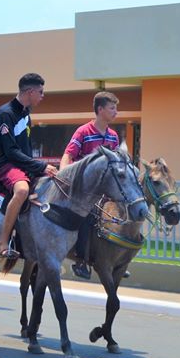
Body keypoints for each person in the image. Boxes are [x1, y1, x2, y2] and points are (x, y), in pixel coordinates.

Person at [0, 73, 57, 259]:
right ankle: (3, 242)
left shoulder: (26, 113)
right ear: (30, 91)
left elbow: (24, 149)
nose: (43, 96)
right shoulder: (5, 114)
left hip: (22, 164)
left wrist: (38, 167)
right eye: (41, 92)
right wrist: (40, 166)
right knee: (21, 191)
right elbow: (10, 152)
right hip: (4, 164)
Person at [59, 91, 121, 279]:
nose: (116, 112)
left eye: (116, 108)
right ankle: (81, 260)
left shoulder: (113, 136)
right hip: (82, 189)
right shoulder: (83, 132)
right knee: (86, 218)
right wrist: (63, 176)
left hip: (103, 190)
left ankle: (117, 260)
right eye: (112, 108)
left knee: (117, 216)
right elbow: (68, 155)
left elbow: (115, 165)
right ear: (100, 110)